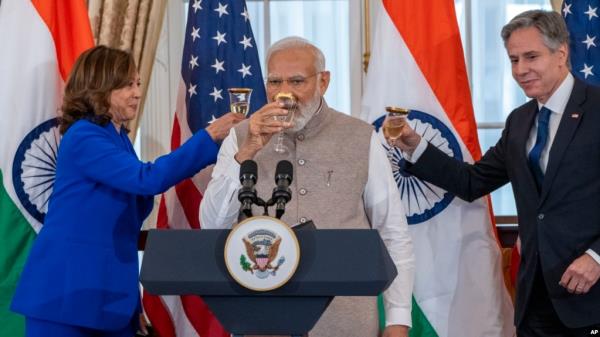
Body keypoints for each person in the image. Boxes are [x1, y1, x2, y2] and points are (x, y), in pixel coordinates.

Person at [389, 10, 600, 336]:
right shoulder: (519, 121)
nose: (520, 70)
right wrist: (415, 145)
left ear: (561, 54)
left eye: (531, 57)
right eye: (514, 60)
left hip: (592, 297)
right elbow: (472, 182)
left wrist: (596, 256)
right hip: (535, 299)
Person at [10, 45, 243, 337]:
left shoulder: (116, 138)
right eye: (126, 85)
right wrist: (208, 136)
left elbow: (119, 232)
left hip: (107, 298)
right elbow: (147, 179)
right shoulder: (84, 135)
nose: (137, 92)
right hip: (66, 298)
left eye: (138, 84)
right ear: (98, 89)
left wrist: (132, 306)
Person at [200, 36, 415, 337]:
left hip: (346, 320)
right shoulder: (240, 137)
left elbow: (393, 233)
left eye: (297, 81)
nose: (284, 94)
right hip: (263, 317)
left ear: (323, 82)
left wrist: (397, 321)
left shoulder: (361, 137)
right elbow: (212, 224)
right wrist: (246, 151)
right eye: (275, 82)